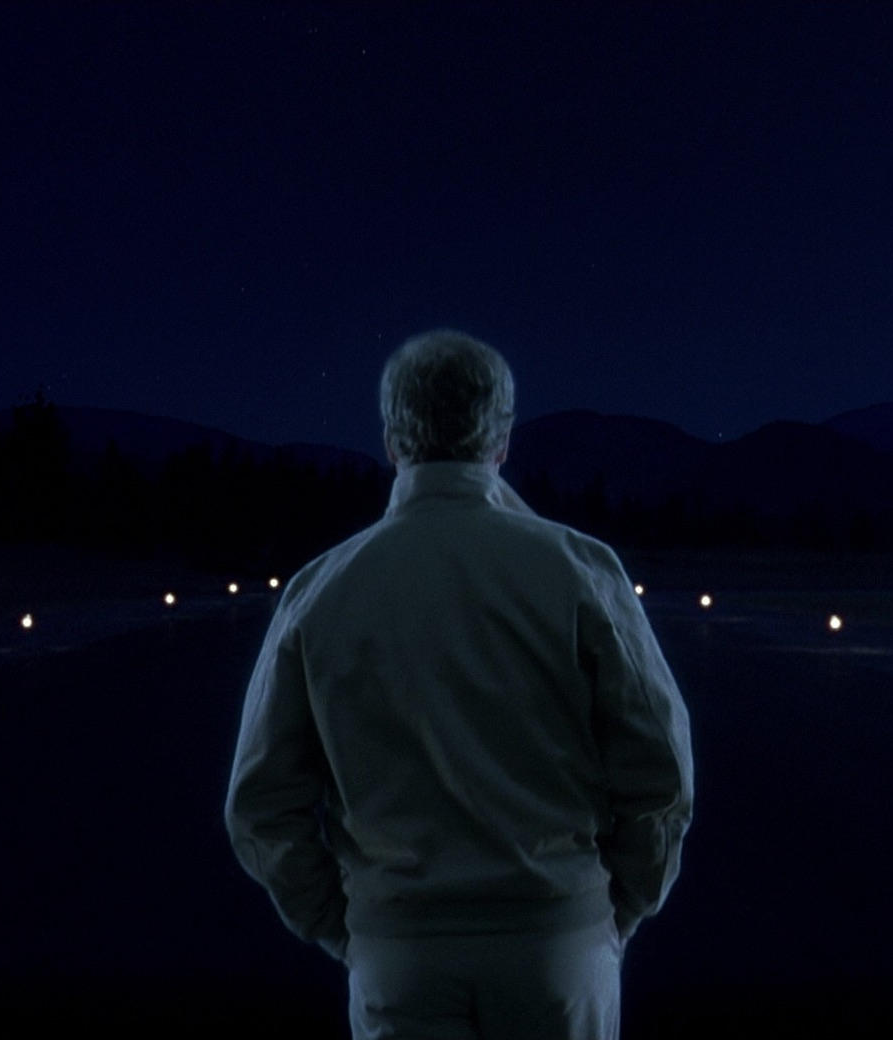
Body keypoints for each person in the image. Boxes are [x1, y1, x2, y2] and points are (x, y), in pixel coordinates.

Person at [225, 329, 694, 1039]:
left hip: (398, 949)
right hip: (556, 940)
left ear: (391, 441)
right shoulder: (579, 570)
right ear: (501, 440)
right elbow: (659, 772)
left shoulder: (319, 592)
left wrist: (343, 925)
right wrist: (613, 907)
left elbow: (261, 805)